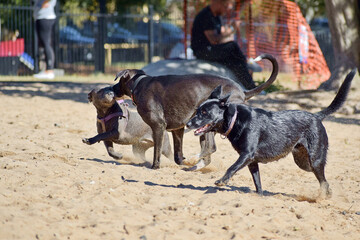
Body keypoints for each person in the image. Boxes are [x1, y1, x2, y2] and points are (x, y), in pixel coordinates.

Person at [191, 0, 256, 89]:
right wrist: (232, 28)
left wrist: (230, 31)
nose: (227, 11)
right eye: (226, 7)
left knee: (234, 60)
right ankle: (249, 81)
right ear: (218, 3)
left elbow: (221, 37)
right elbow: (214, 40)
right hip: (203, 51)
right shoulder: (206, 16)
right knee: (233, 47)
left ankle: (248, 85)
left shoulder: (217, 17)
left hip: (212, 49)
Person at [33, 0, 57, 79]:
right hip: (41, 17)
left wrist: (45, 2)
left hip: (45, 17)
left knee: (46, 43)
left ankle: (49, 70)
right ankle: (47, 69)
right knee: (43, 44)